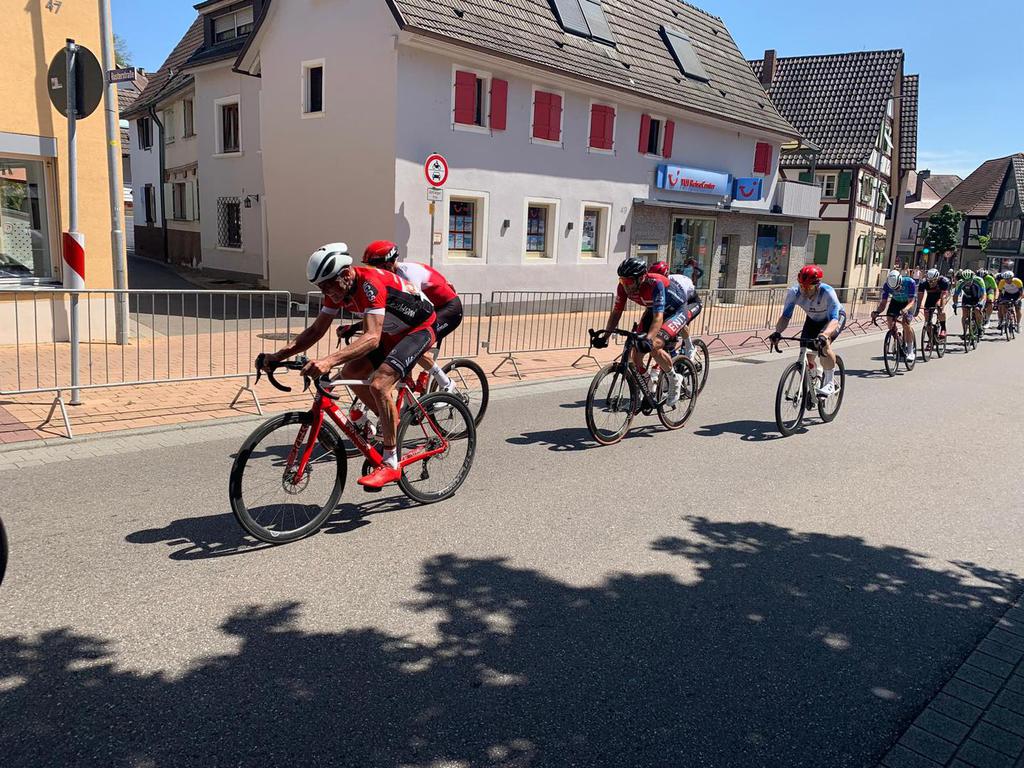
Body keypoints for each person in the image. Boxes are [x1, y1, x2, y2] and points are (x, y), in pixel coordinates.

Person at [262, 243, 436, 489]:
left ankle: (391, 464)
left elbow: (372, 337)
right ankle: (390, 422)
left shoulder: (369, 284)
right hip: (392, 331)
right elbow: (316, 330)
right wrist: (279, 355)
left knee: (380, 384)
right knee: (351, 373)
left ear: (346, 274)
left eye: (328, 286)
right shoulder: (338, 288)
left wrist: (328, 361)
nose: (326, 292)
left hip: (418, 328)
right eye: (320, 287)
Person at [360, 240, 461, 393]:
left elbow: (414, 308)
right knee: (401, 342)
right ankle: (409, 387)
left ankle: (446, 382)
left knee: (413, 342)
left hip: (448, 309)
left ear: (389, 263)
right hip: (428, 310)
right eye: (370, 267)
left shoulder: (407, 274)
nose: (374, 271)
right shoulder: (387, 276)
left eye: (377, 267)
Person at [592, 258, 687, 406]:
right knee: (636, 354)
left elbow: (658, 317)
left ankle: (674, 378)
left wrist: (648, 338)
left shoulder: (655, 283)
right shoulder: (623, 287)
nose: (625, 285)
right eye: (622, 280)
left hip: (675, 310)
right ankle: (648, 385)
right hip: (654, 309)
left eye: (629, 281)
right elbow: (616, 312)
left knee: (654, 345)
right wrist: (605, 336)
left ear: (641, 278)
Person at [767, 265, 845, 397]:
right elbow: (785, 317)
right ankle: (815, 375)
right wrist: (777, 332)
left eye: (809, 288)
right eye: (802, 286)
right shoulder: (794, 292)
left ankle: (830, 382)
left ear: (817, 285)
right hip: (813, 319)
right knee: (807, 353)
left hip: (832, 319)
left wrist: (824, 335)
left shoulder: (827, 292)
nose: (805, 291)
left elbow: (834, 319)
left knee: (823, 345)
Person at [649, 261, 703, 360]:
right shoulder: (656, 284)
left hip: (691, 302)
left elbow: (681, 307)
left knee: (681, 321)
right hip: (678, 303)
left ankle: (689, 347)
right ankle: (673, 354)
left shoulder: (676, 282)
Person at [872, 269, 917, 358]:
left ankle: (910, 351)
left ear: (900, 281)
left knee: (905, 323)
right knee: (890, 320)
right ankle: (898, 338)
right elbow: (883, 303)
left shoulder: (910, 282)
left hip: (908, 302)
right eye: (894, 289)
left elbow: (911, 302)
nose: (896, 290)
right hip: (896, 301)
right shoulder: (886, 286)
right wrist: (877, 312)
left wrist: (905, 309)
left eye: (897, 287)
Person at [914, 268, 951, 338]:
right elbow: (920, 296)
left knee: (939, 307)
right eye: (929, 281)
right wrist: (918, 308)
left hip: (940, 296)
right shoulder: (923, 283)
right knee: (927, 318)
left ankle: (943, 328)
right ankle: (931, 339)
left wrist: (941, 308)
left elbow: (943, 296)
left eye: (933, 281)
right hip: (930, 298)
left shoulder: (944, 282)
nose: (931, 283)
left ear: (937, 278)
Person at [952, 268, 987, 335]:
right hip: (967, 298)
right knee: (965, 315)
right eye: (966, 281)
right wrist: (955, 303)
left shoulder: (979, 280)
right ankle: (964, 333)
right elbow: (955, 295)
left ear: (973, 277)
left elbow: (984, 294)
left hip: (978, 298)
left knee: (977, 310)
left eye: (969, 280)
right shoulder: (960, 282)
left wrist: (981, 302)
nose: (967, 282)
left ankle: (979, 327)